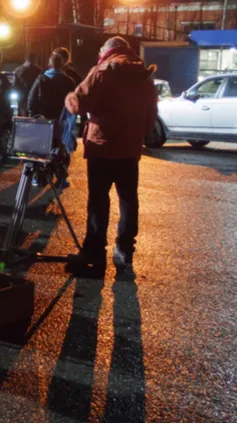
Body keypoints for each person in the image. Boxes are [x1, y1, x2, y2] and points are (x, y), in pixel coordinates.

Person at [65, 36, 157, 270]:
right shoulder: (144, 76)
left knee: (98, 201)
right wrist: (137, 136)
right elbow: (151, 116)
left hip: (102, 147)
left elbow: (79, 102)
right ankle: (125, 248)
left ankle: (94, 252)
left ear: (107, 51)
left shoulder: (101, 71)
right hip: (129, 149)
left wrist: (69, 98)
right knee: (128, 199)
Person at [28, 53, 76, 187]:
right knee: (61, 150)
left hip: (44, 121)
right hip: (61, 122)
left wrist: (33, 117)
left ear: (49, 65)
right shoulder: (69, 81)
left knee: (41, 149)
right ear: (63, 65)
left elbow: (31, 100)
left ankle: (40, 177)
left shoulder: (41, 79)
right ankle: (61, 177)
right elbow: (74, 102)